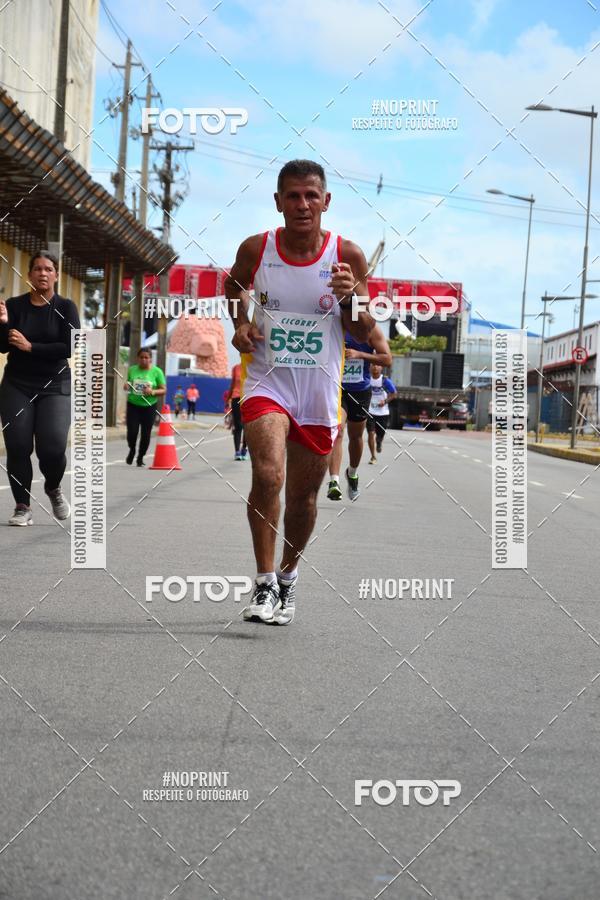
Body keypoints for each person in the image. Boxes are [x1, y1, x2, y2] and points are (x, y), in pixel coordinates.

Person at [225, 158, 374, 626]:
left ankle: (288, 578)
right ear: (278, 202)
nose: (303, 204)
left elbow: (365, 329)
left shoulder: (348, 255)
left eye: (312, 196)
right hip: (268, 380)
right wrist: (242, 323)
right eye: (293, 195)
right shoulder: (257, 248)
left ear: (326, 202)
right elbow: (231, 284)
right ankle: (264, 581)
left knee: (304, 498)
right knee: (268, 476)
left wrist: (351, 298)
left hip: (318, 390)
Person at [0, 251, 80, 525]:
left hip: (54, 384)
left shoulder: (66, 307)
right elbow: (2, 345)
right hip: (17, 384)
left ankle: (53, 487)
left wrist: (31, 346)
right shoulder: (14, 305)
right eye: (37, 269)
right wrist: (1, 324)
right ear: (30, 274)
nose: (42, 273)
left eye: (48, 269)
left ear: (56, 275)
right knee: (18, 445)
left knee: (53, 447)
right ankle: (22, 506)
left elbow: (71, 346)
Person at [327, 324, 392, 501]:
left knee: (356, 437)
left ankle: (352, 473)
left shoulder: (369, 328)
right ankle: (334, 481)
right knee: (337, 431)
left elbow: (387, 359)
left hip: (360, 391)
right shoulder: (332, 322)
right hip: (337, 388)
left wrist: (360, 354)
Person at [123, 348, 166, 466]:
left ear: (150, 359)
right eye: (141, 357)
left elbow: (163, 390)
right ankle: (132, 449)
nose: (144, 360)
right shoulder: (132, 370)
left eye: (146, 357)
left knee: (146, 434)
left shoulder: (157, 372)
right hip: (133, 405)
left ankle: (140, 457)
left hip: (149, 406)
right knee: (132, 432)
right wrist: (127, 385)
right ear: (138, 358)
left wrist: (152, 391)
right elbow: (129, 383)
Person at [367, 363, 397, 463]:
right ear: (369, 367)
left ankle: (379, 441)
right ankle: (373, 457)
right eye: (373, 365)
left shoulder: (385, 381)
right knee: (371, 433)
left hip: (383, 413)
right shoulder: (367, 379)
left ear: (381, 367)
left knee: (380, 434)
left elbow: (394, 394)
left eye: (378, 365)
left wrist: (385, 401)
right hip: (370, 411)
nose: (375, 367)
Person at [225, 360, 248, 460]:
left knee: (247, 426)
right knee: (238, 425)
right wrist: (228, 399)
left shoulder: (253, 367)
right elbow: (232, 384)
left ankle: (244, 449)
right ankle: (237, 452)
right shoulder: (236, 368)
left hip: (248, 398)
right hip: (237, 398)